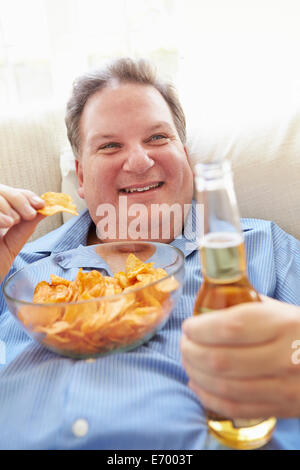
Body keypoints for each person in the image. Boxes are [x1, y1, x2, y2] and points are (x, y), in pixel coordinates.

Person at [0, 58, 299, 450]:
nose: (140, 161)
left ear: (187, 160)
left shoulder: (262, 247)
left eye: (158, 138)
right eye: (109, 146)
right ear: (83, 179)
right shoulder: (16, 266)